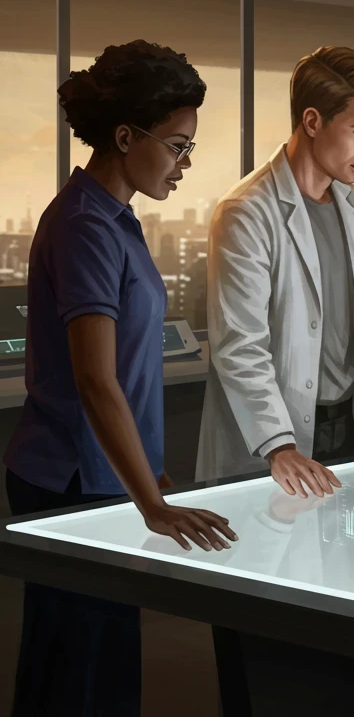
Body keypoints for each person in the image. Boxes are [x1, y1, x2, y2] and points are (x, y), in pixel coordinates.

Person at [2, 40, 236, 716]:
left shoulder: (114, 218)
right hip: (71, 479)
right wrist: (152, 504)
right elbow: (96, 380)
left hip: (103, 473)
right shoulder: (85, 227)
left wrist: (145, 472)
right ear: (127, 136)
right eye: (177, 145)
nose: (184, 164)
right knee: (79, 669)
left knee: (94, 660)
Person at [196, 46, 354, 496]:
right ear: (312, 122)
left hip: (345, 426)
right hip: (276, 441)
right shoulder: (246, 211)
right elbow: (239, 346)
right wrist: (279, 447)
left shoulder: (349, 201)